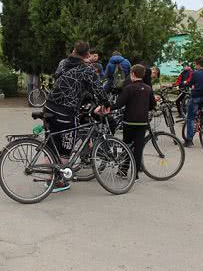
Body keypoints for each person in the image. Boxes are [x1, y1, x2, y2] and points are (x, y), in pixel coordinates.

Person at [45, 41, 109, 193]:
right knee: (66, 147)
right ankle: (57, 181)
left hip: (49, 106)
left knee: (51, 144)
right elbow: (98, 89)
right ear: (87, 54)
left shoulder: (62, 63)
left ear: (73, 50)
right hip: (65, 112)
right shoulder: (87, 70)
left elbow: (58, 76)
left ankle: (48, 177)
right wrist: (105, 104)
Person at [112, 64, 156, 180]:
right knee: (138, 148)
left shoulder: (128, 88)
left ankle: (123, 170)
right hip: (142, 123)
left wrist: (107, 108)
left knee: (126, 145)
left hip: (129, 122)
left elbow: (119, 104)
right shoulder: (148, 89)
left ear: (132, 74)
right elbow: (152, 105)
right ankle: (135, 174)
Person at [184, 57, 203, 147]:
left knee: (191, 118)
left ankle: (189, 140)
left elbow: (190, 84)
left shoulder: (195, 73)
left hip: (196, 97)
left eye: (195, 64)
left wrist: (186, 84)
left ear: (197, 64)